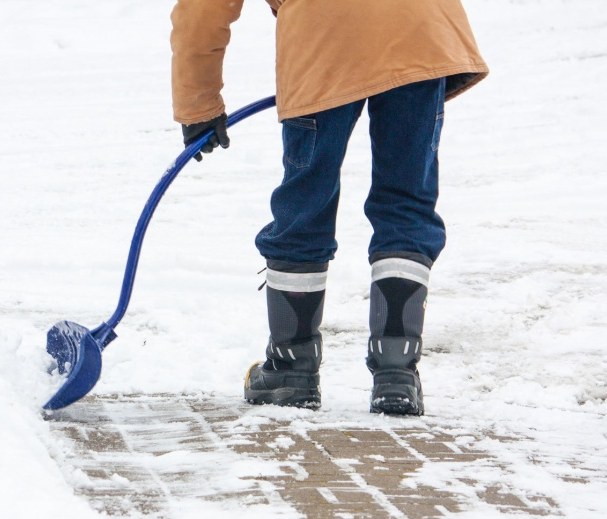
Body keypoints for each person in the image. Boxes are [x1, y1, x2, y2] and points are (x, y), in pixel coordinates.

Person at [171, 0, 488, 415]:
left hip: (323, 37)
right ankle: (397, 372)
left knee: (306, 202)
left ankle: (292, 368)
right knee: (407, 200)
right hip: (419, 29)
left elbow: (201, 9)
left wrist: (199, 107)